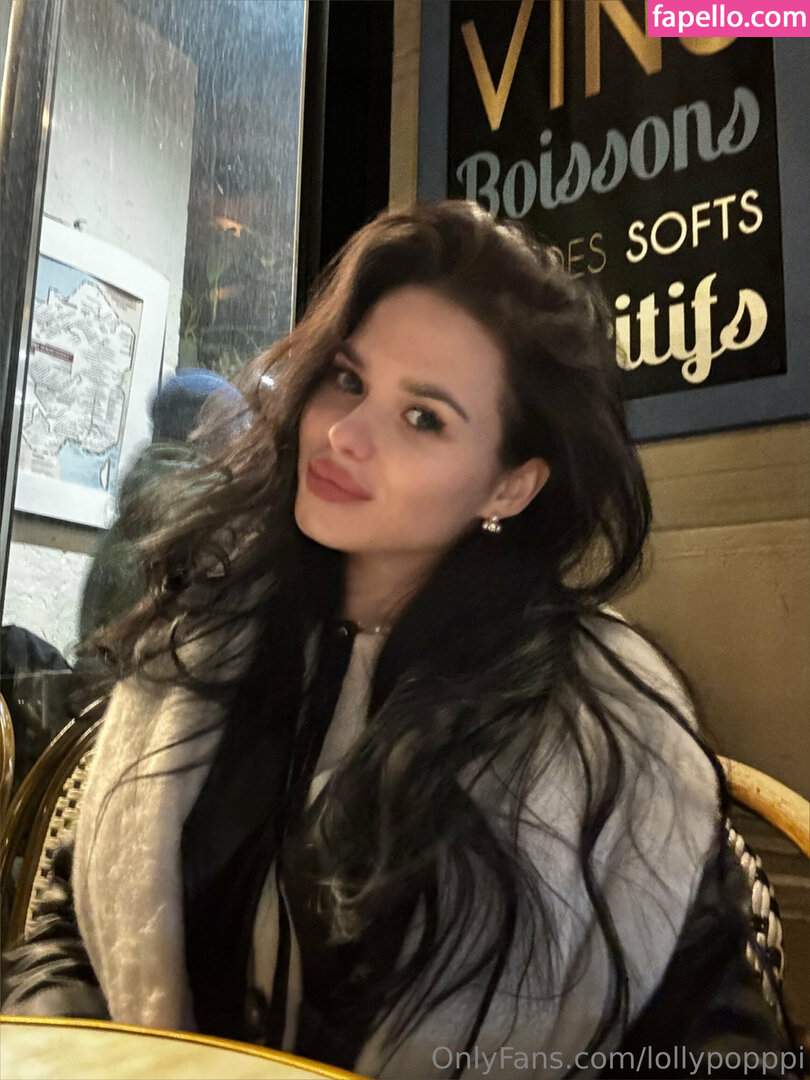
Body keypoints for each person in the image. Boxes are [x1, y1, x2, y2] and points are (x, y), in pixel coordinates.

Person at [2, 202, 799, 1078]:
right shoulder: (209, 635)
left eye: (423, 418)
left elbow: (724, 1044)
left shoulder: (600, 733)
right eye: (348, 379)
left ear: (509, 486)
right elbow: (76, 928)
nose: (344, 435)